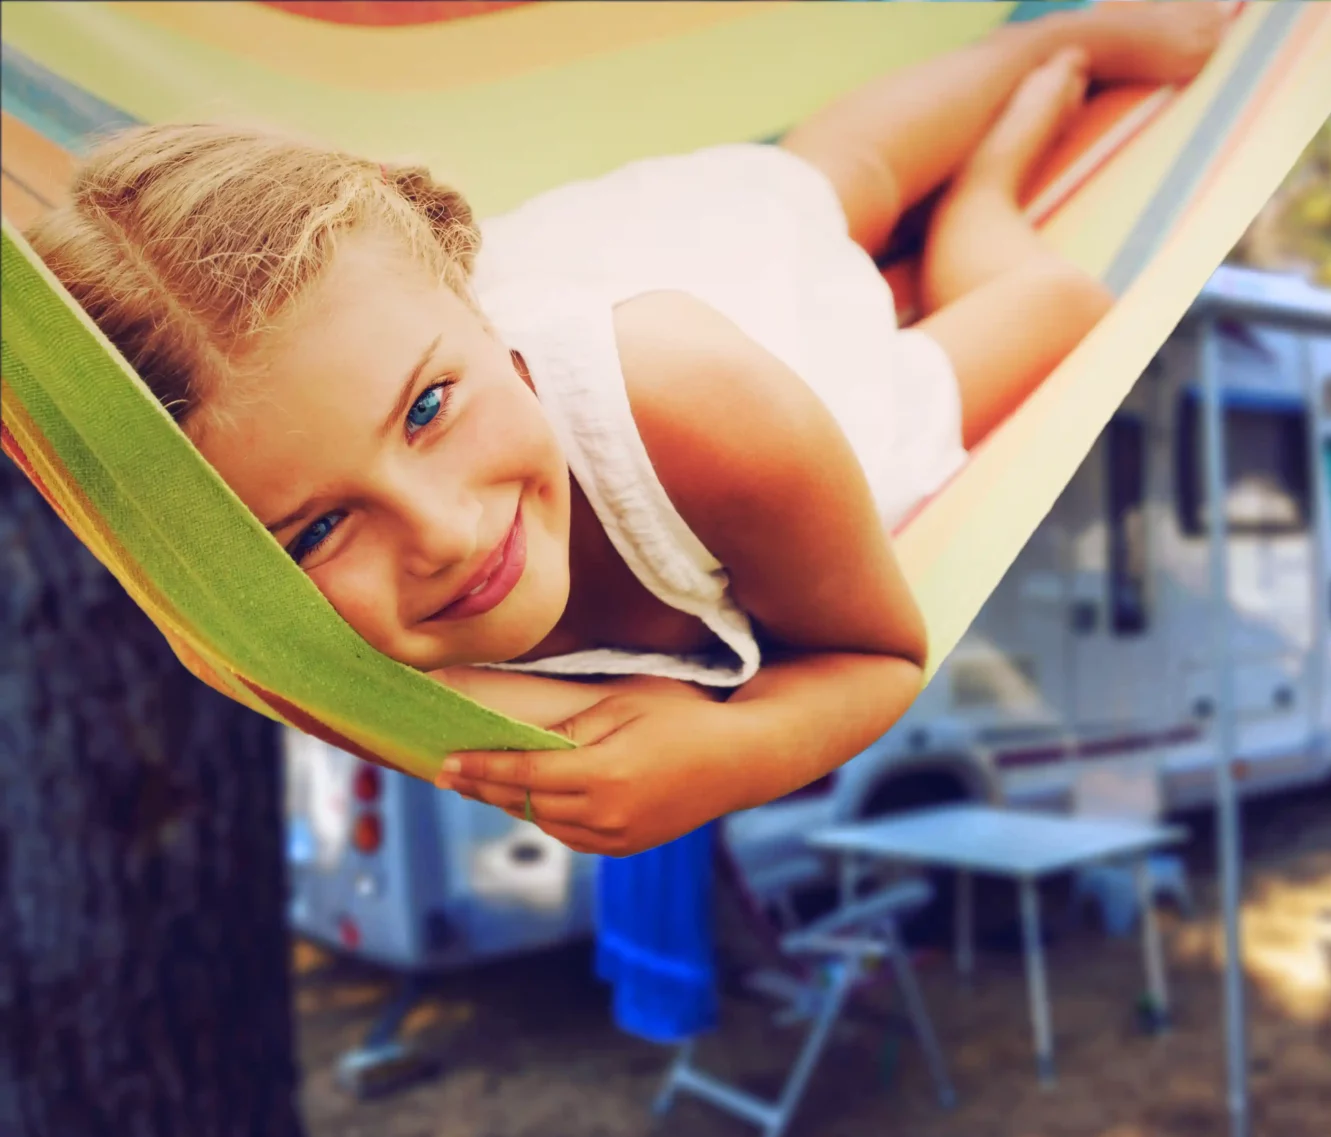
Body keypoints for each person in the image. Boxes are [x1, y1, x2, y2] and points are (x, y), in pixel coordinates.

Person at [24, 2, 1231, 856]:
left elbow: (876, 658)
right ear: (226, 580)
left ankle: (1041, 62)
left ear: (466, 289)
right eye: (316, 529)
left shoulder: (697, 399)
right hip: (584, 351)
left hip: (752, 362)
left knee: (847, 187)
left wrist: (741, 753)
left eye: (430, 410)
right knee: (828, 183)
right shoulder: (274, 643)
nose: (442, 534)